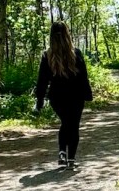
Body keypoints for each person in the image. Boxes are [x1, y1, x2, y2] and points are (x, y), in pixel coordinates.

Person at [34, 21, 93, 169]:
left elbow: (42, 81)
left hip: (57, 98)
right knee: (73, 126)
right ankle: (71, 160)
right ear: (67, 34)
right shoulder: (76, 53)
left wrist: (39, 101)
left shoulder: (47, 56)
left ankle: (62, 152)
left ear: (51, 36)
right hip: (76, 97)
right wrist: (88, 94)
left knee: (66, 123)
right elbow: (83, 77)